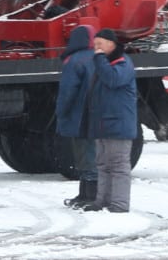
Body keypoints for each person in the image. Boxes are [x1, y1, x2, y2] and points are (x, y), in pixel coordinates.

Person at [90, 28, 138, 213]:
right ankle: (102, 202)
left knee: (118, 166)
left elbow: (113, 80)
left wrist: (100, 59)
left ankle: (119, 205)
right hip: (105, 123)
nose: (96, 49)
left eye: (100, 45)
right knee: (103, 165)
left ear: (112, 44)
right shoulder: (106, 64)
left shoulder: (123, 63)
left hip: (118, 124)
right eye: (95, 45)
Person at [54, 23, 98, 210]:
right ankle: (87, 195)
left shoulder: (74, 61)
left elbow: (67, 91)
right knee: (93, 153)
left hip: (81, 115)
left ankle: (89, 196)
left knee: (84, 154)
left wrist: (61, 112)